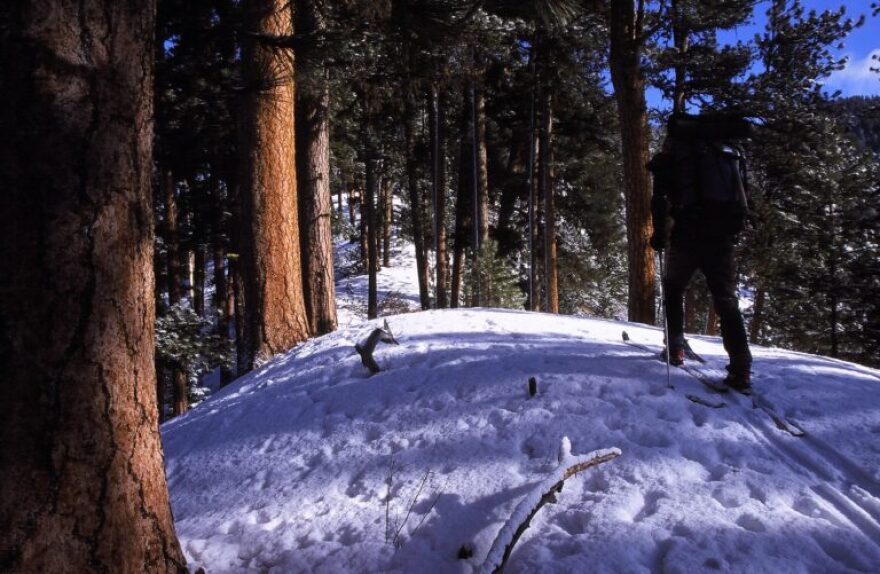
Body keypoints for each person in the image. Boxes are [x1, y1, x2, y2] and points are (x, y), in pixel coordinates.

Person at [648, 113, 753, 392]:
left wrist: (659, 235)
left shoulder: (675, 154)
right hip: (722, 237)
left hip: (687, 235)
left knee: (672, 289)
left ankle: (675, 348)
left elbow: (659, 200)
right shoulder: (725, 153)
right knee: (726, 300)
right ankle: (741, 368)